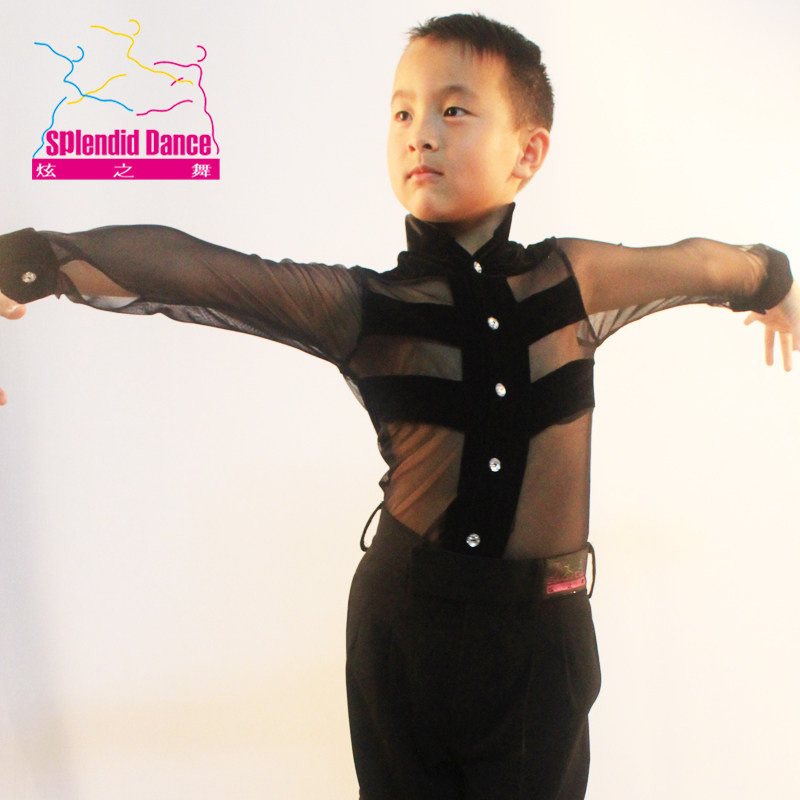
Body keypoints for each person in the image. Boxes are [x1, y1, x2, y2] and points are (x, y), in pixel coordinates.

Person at [1, 12, 798, 800]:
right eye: (403, 113)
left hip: (542, 637)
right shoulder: (368, 307)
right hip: (405, 626)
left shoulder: (574, 281)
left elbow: (701, 266)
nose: (421, 135)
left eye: (453, 110)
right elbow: (205, 272)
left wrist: (775, 284)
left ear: (528, 153)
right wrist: (30, 263)